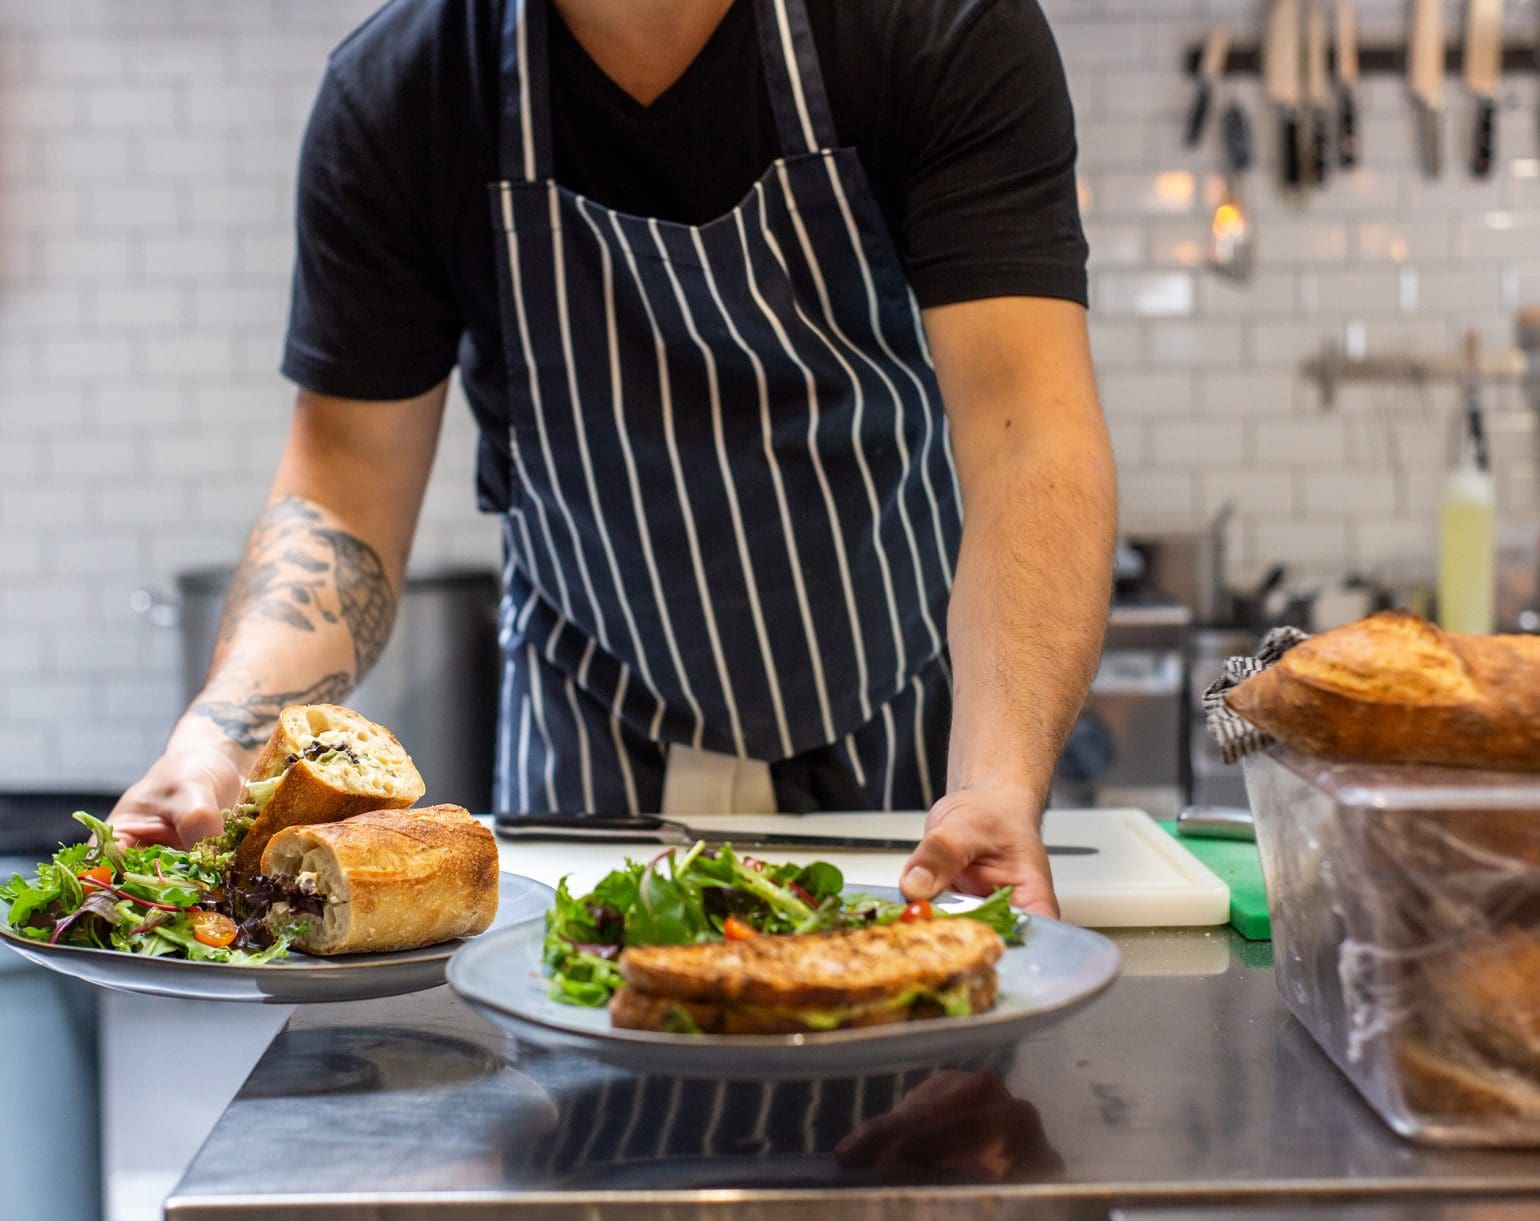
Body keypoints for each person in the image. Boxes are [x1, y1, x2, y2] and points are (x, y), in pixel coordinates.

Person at [110, 0, 1116, 918]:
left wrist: (993, 783)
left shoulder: (934, 26)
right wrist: (219, 740)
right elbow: (344, 489)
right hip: (581, 770)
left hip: (911, 766)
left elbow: (1028, 433)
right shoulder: (404, 90)